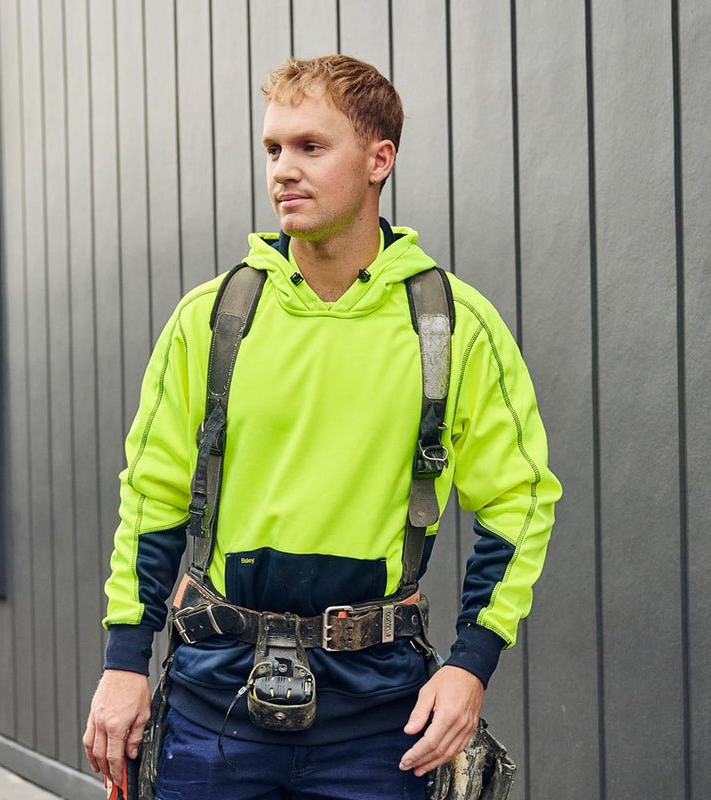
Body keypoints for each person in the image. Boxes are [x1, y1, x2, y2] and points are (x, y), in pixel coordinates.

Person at [83, 54, 561, 800]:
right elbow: (152, 496)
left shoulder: (451, 325)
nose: (283, 170)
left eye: (310, 147)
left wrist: (471, 664)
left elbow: (522, 501)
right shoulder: (214, 320)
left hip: (380, 727)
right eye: (273, 149)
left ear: (380, 159)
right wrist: (122, 661)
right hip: (212, 716)